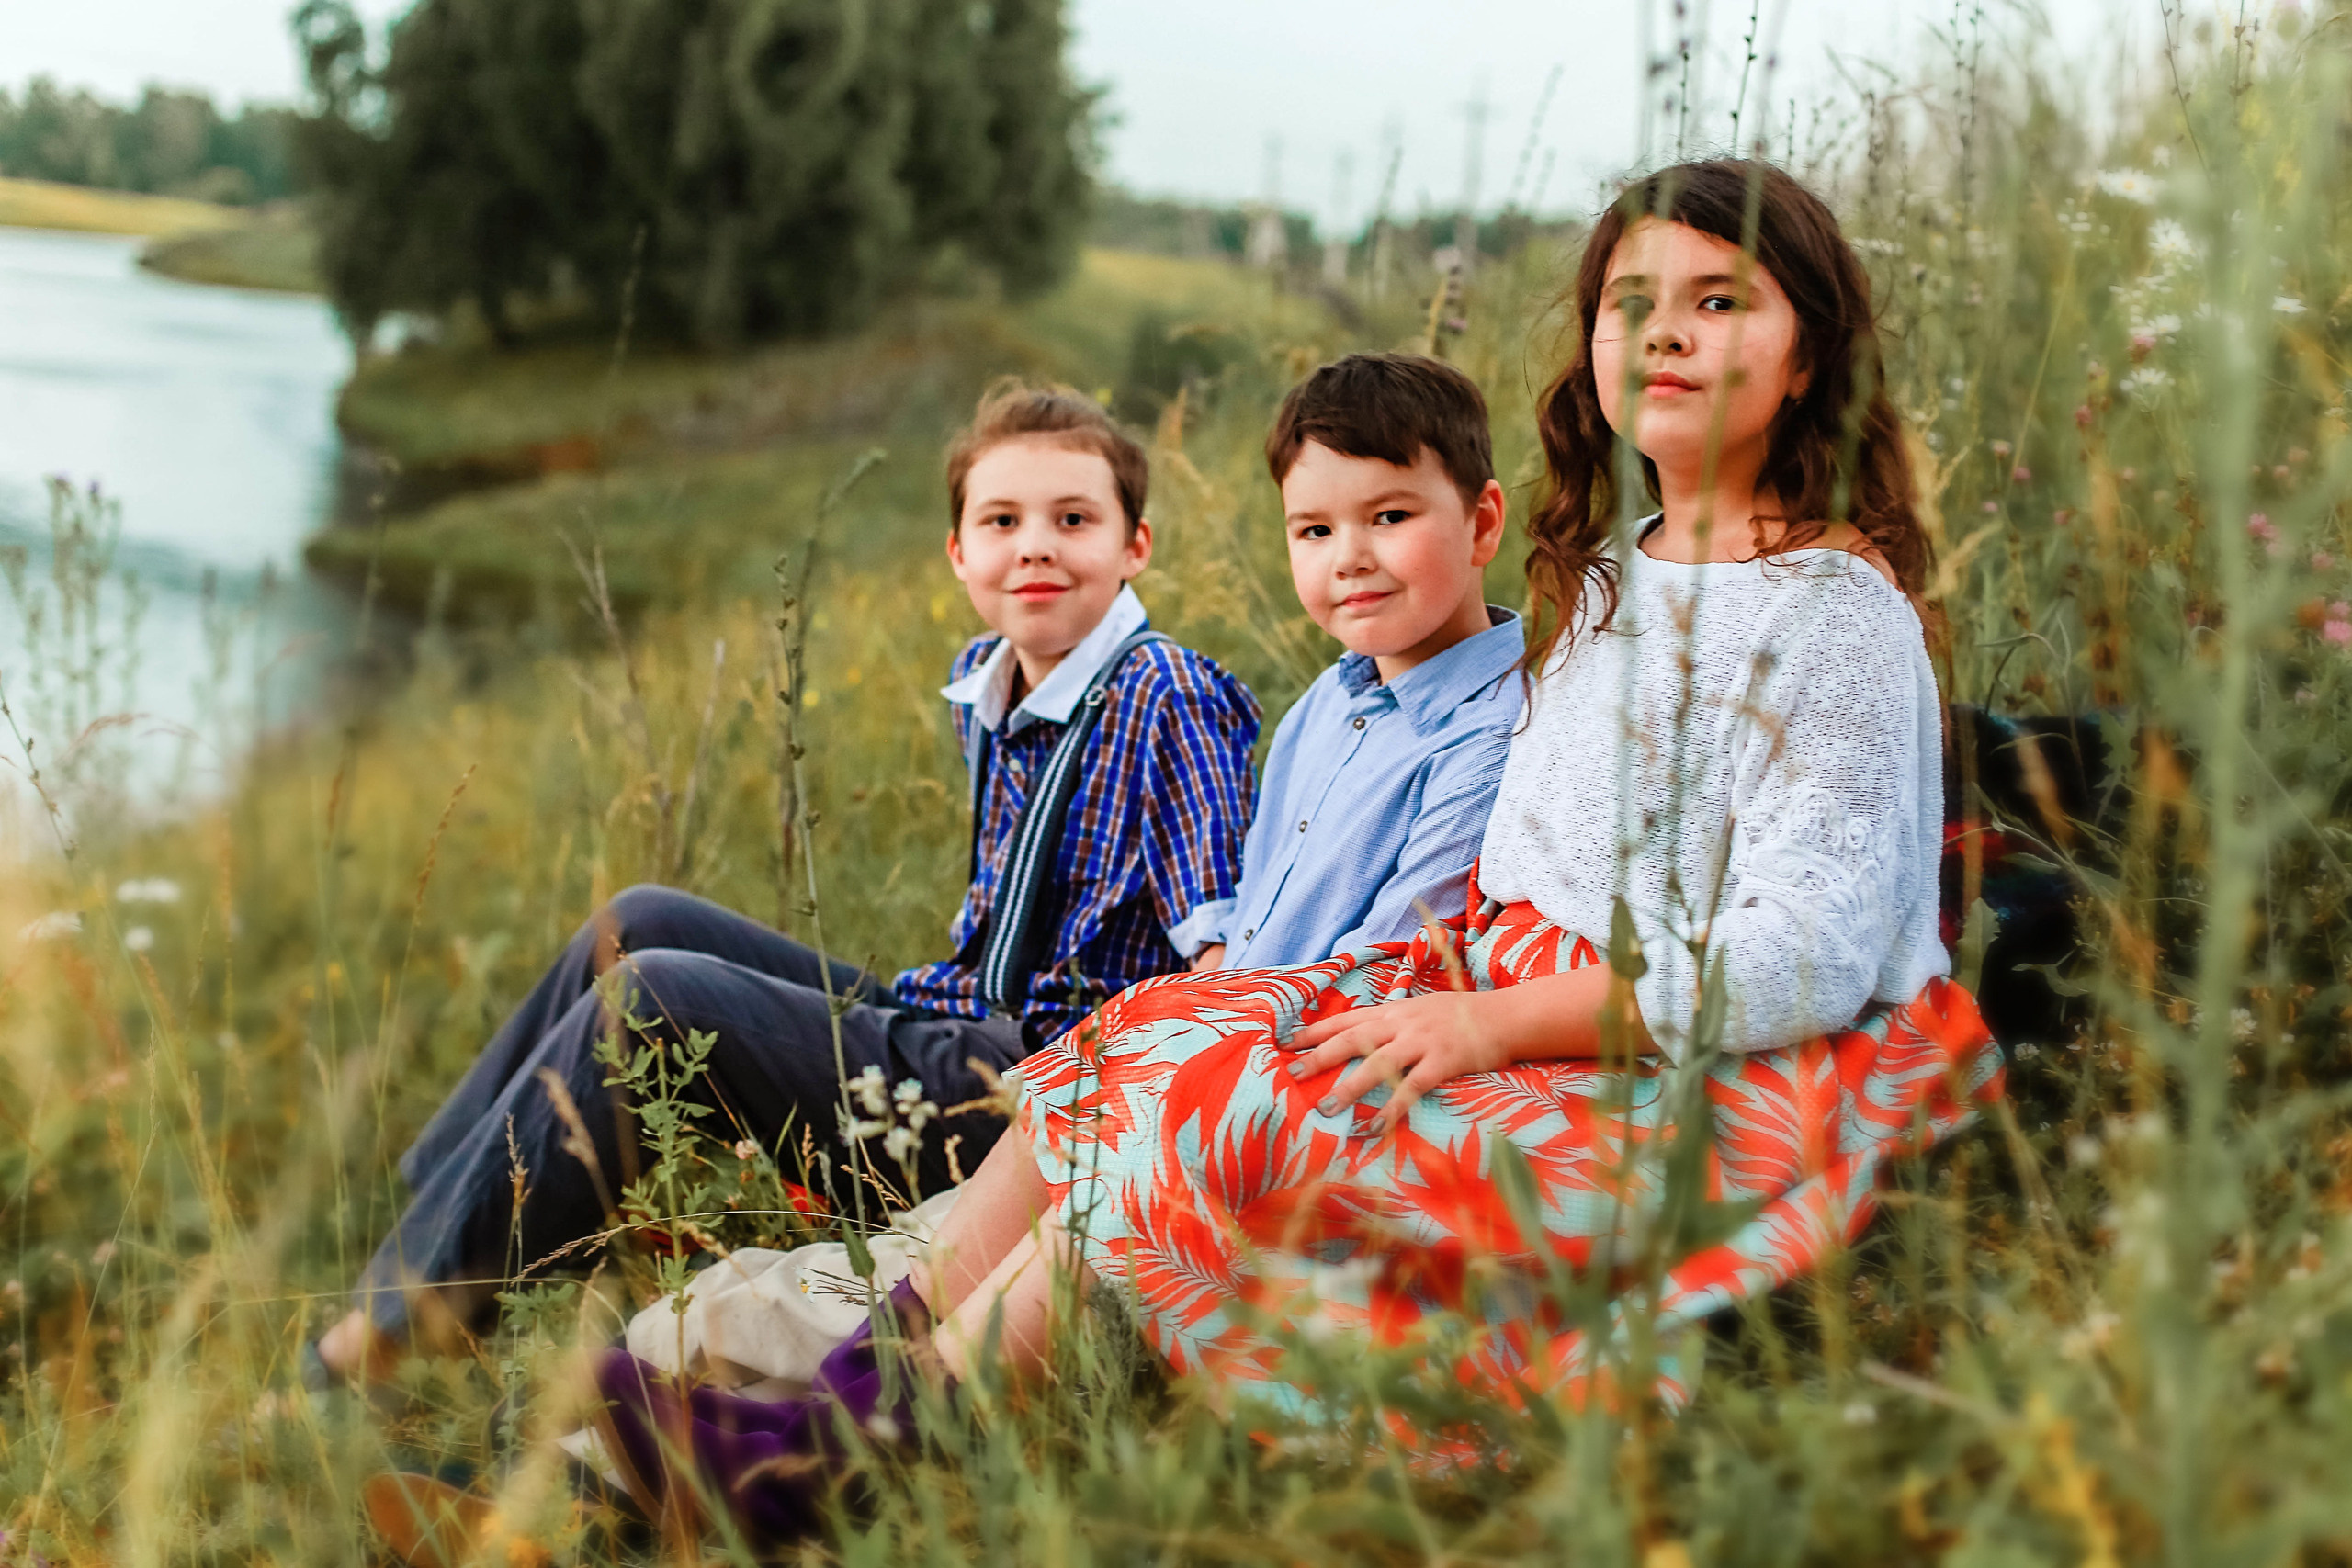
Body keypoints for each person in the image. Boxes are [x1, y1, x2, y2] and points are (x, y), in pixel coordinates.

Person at [585, 158, 2009, 1546]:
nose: (1669, 336)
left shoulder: (1830, 611)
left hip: (1715, 1055)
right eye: (1632, 304)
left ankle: (837, 1454)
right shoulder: (1608, 571)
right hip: (1518, 983)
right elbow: (1535, 849)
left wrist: (1487, 1018)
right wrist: (1419, 977)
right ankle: (851, 1399)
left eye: (1721, 301)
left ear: (1810, 356)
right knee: (1139, 1036)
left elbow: (1808, 952)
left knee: (1232, 1109)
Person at [595, 352, 1530, 1396]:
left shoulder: (1476, 726)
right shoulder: (1326, 704)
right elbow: (1251, 940)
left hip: (1199, 1099)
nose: (1349, 557)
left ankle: (780, 1421)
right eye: (1313, 531)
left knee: (783, 1276)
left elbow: (1371, 971)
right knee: (735, 1295)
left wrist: (1152, 1061)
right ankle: (651, 1422)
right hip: (1127, 1074)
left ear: (1483, 522)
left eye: (1389, 517)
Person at [316, 381, 1261, 1383]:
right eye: (1001, 522)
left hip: (1030, 1098)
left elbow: (1221, 957)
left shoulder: (1171, 695)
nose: (1034, 547)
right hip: (954, 1019)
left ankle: (380, 1337)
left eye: (1073, 520)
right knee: (635, 920)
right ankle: (449, 1219)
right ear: (958, 553)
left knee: (655, 997)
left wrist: (1143, 1158)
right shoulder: (987, 677)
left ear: (1134, 546)